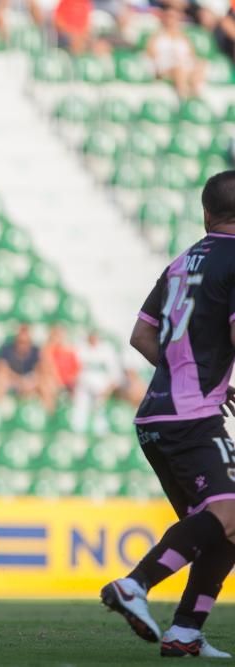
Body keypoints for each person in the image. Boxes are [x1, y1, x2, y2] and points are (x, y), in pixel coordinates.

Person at [101, 170, 235, 658]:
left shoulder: (181, 262)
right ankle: (135, 585)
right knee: (228, 512)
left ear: (206, 213)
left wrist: (183, 368)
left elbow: (141, 335)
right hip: (192, 415)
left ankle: (185, 631)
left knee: (222, 521)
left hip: (158, 414)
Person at [0, 323, 57, 413]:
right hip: (12, 380)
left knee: (46, 385)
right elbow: (0, 368)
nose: (22, 345)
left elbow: (43, 369)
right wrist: (19, 381)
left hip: (30, 381)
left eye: (25, 342)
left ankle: (49, 416)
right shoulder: (7, 349)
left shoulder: (35, 351)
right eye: (20, 342)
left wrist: (31, 381)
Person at [147, 7, 206, 99]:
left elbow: (192, 55)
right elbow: (151, 54)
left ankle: (196, 96)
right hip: (166, 66)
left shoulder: (184, 37)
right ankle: (184, 98)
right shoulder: (157, 36)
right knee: (179, 70)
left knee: (200, 66)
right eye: (170, 17)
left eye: (175, 18)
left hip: (183, 65)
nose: (172, 20)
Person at [70, 330, 121, 434]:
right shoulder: (81, 348)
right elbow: (74, 370)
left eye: (95, 335)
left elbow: (116, 375)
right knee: (80, 410)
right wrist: (73, 386)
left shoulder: (107, 350)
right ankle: (77, 432)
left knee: (100, 413)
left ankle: (101, 433)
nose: (93, 337)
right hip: (82, 386)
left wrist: (108, 390)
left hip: (102, 387)